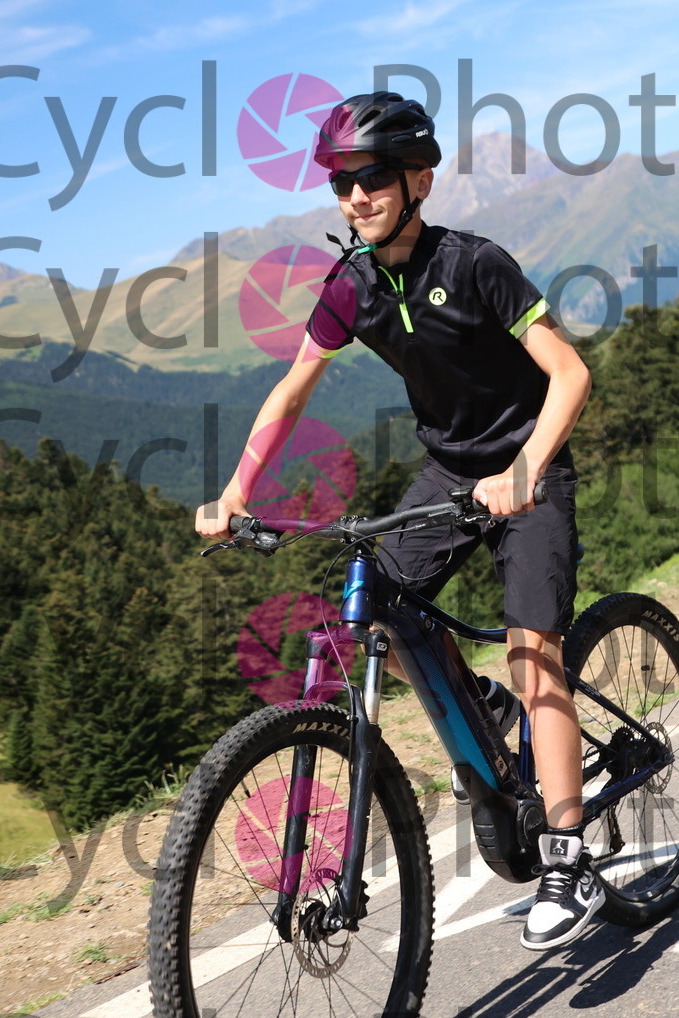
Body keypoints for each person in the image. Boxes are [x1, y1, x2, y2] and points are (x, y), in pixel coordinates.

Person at [195, 92, 600, 951]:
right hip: (450, 473)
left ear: (419, 179)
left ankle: (569, 861)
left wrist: (526, 468)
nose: (355, 196)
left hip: (529, 466)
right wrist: (235, 492)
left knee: (534, 654)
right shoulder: (351, 287)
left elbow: (570, 373)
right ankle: (481, 707)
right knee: (378, 600)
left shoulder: (477, 264)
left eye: (373, 177)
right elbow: (291, 391)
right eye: (341, 183)